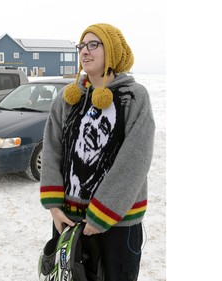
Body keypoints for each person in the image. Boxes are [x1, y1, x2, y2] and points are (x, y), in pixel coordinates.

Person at [40, 23, 155, 281]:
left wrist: (102, 214)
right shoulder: (67, 97)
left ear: (112, 51)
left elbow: (135, 159)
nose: (85, 52)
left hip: (117, 222)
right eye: (82, 46)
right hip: (67, 219)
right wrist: (54, 208)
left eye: (94, 45)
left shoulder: (133, 97)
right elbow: (52, 150)